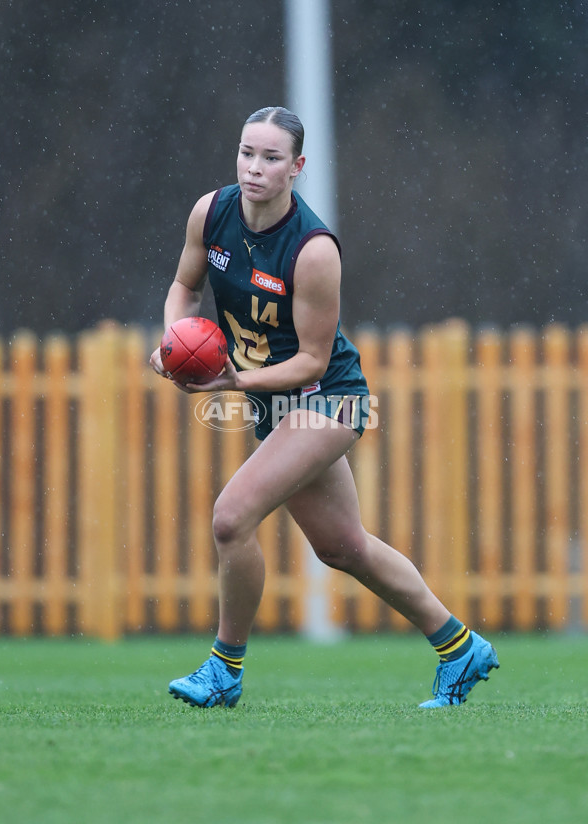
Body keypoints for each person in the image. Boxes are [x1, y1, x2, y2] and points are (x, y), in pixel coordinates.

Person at [150, 106, 499, 708]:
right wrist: (174, 343)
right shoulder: (212, 213)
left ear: (297, 167)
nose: (254, 168)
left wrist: (231, 383)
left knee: (231, 518)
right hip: (272, 401)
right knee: (342, 548)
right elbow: (184, 288)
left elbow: (312, 361)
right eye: (246, 153)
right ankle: (460, 647)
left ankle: (224, 670)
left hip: (328, 399)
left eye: (271, 158)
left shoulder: (313, 250)